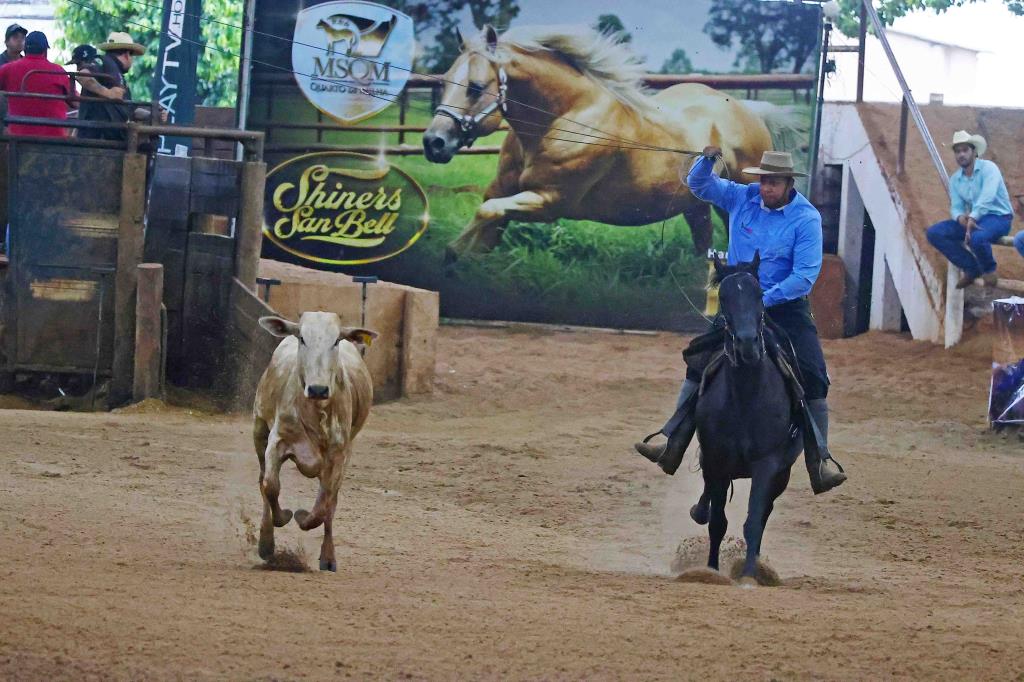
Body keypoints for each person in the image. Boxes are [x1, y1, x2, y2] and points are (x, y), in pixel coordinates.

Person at [635, 147, 847, 496]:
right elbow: (700, 185)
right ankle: (671, 439)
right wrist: (706, 161)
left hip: (784, 307)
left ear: (789, 184)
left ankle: (819, 461)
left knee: (814, 375)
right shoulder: (741, 197)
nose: (766, 188)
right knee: (699, 360)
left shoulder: (806, 218)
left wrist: (762, 300)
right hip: (738, 305)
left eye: (774, 183)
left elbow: (804, 277)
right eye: (763, 181)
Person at [925, 130, 1014, 289]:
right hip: (975, 218)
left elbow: (987, 197)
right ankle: (972, 267)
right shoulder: (955, 179)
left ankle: (989, 270)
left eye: (965, 150)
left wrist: (973, 217)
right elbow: (956, 206)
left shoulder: (989, 168)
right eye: (957, 151)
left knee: (977, 238)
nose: (961, 155)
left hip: (999, 217)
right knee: (934, 233)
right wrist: (960, 217)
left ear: (974, 151)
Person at [77, 31, 150, 140]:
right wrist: (107, 93)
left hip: (110, 136)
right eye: (132, 56)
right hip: (97, 136)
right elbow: (82, 75)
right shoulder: (101, 61)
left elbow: (130, 109)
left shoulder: (119, 77)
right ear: (127, 55)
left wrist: (152, 114)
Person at [0, 31, 70, 137]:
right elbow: (74, 101)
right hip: (54, 137)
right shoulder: (58, 71)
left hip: (17, 136)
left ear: (25, 49)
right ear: (45, 51)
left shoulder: (7, 69)